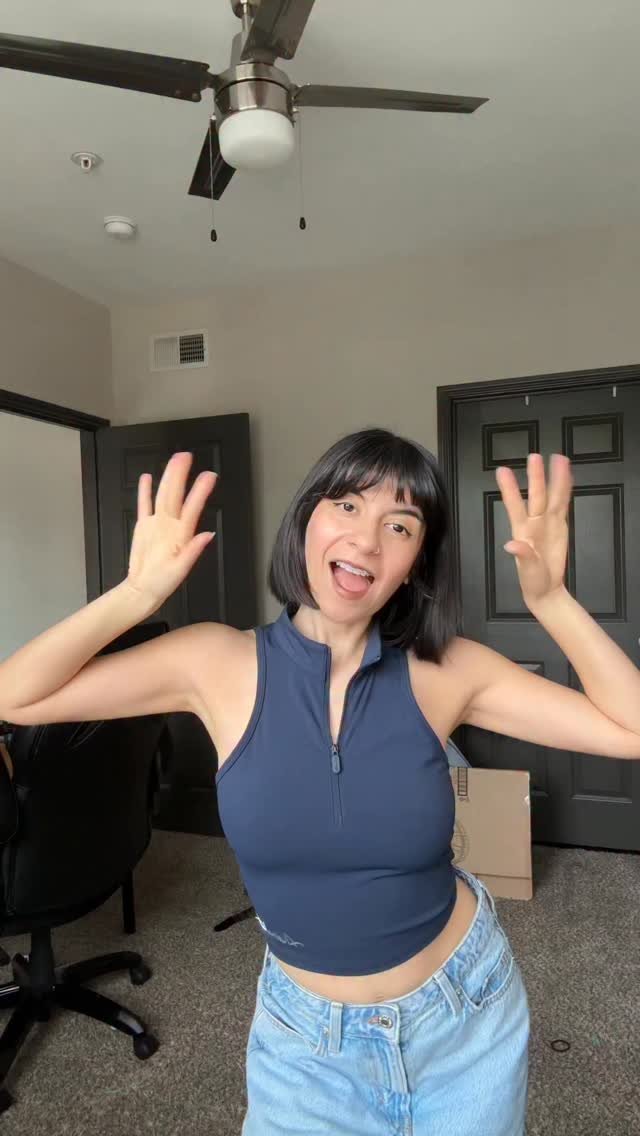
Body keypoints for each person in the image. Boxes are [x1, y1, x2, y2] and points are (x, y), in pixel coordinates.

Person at [2, 427, 640, 1136]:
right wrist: (136, 594)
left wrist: (552, 601)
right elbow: (15, 697)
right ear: (306, 518)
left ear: (414, 565)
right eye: (347, 505)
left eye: (400, 525)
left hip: (464, 1017)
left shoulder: (447, 671)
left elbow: (632, 729)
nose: (367, 539)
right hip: (306, 1043)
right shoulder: (214, 662)